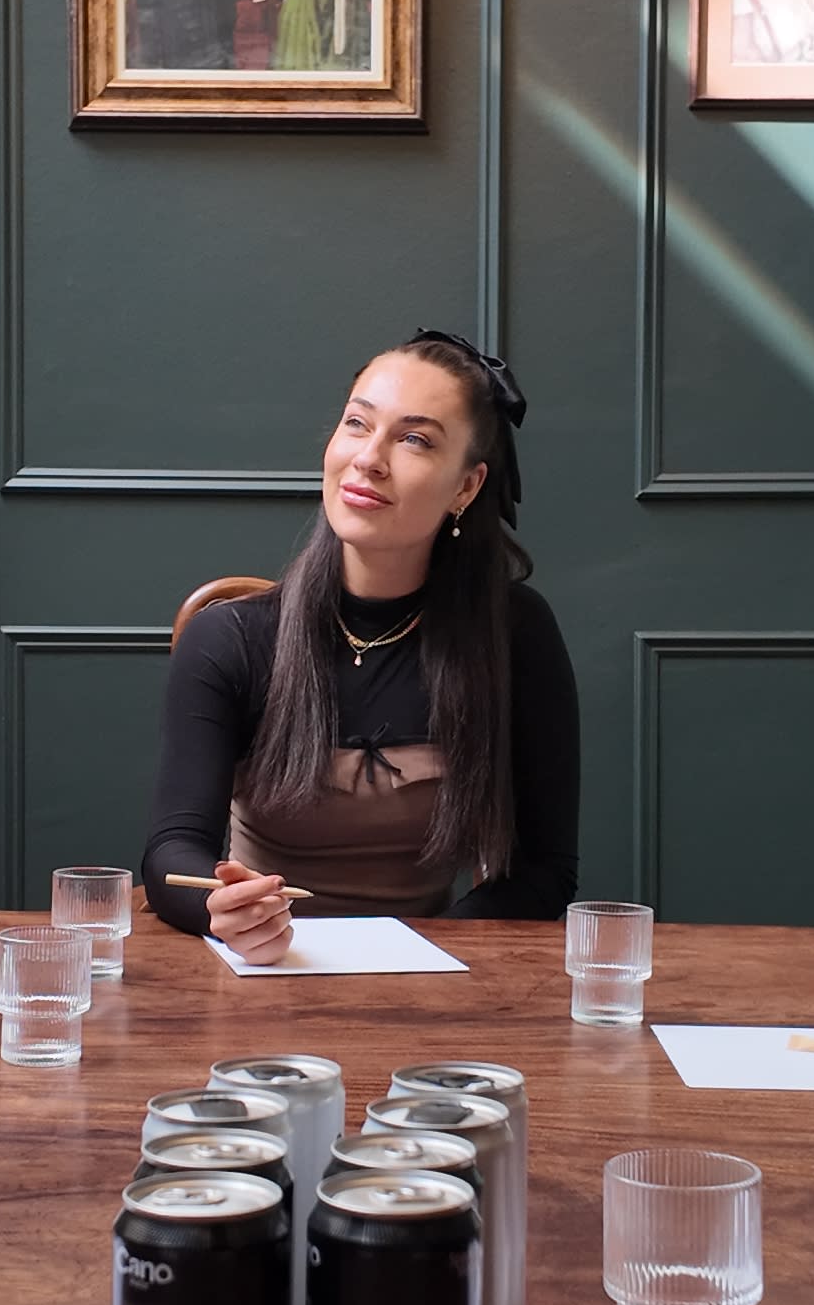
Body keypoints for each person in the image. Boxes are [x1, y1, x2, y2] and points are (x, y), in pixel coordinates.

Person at [142, 330, 581, 964]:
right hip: (256, 971)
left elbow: (545, 870)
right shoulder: (229, 637)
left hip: (431, 976)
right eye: (357, 423)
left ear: (466, 487)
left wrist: (433, 952)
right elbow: (172, 851)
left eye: (414, 439)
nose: (368, 458)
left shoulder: (515, 634)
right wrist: (219, 908)